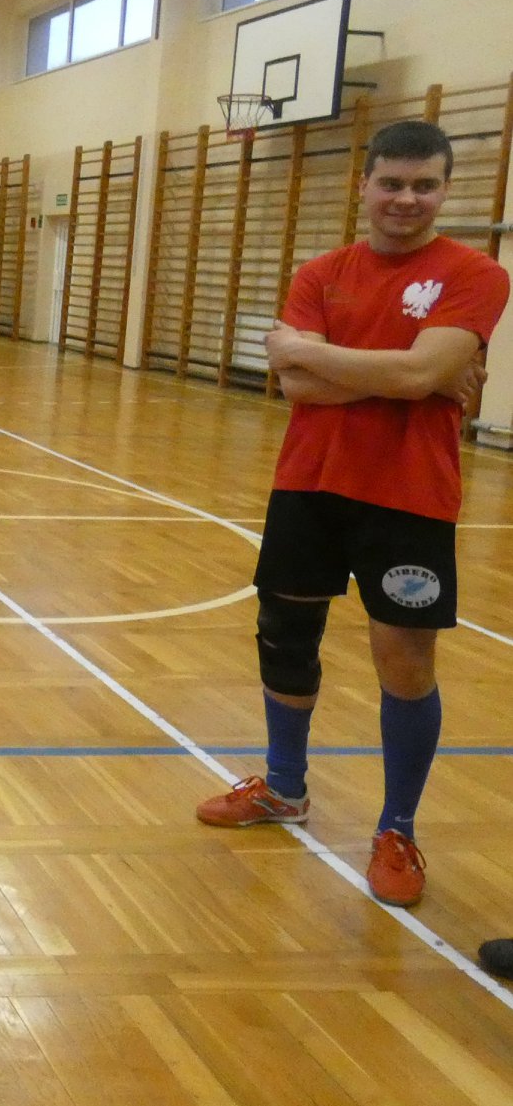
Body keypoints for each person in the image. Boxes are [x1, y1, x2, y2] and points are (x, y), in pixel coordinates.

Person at [196, 120, 508, 909]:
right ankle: (286, 788)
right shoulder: (321, 272)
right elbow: (302, 386)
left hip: (411, 495)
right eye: (392, 182)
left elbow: (407, 373)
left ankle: (397, 828)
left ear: (445, 190)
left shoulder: (474, 273)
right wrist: (411, 375)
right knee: (285, 634)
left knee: (404, 660)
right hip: (309, 483)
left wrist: (326, 355)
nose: (407, 198)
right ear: (362, 184)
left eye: (425, 185)